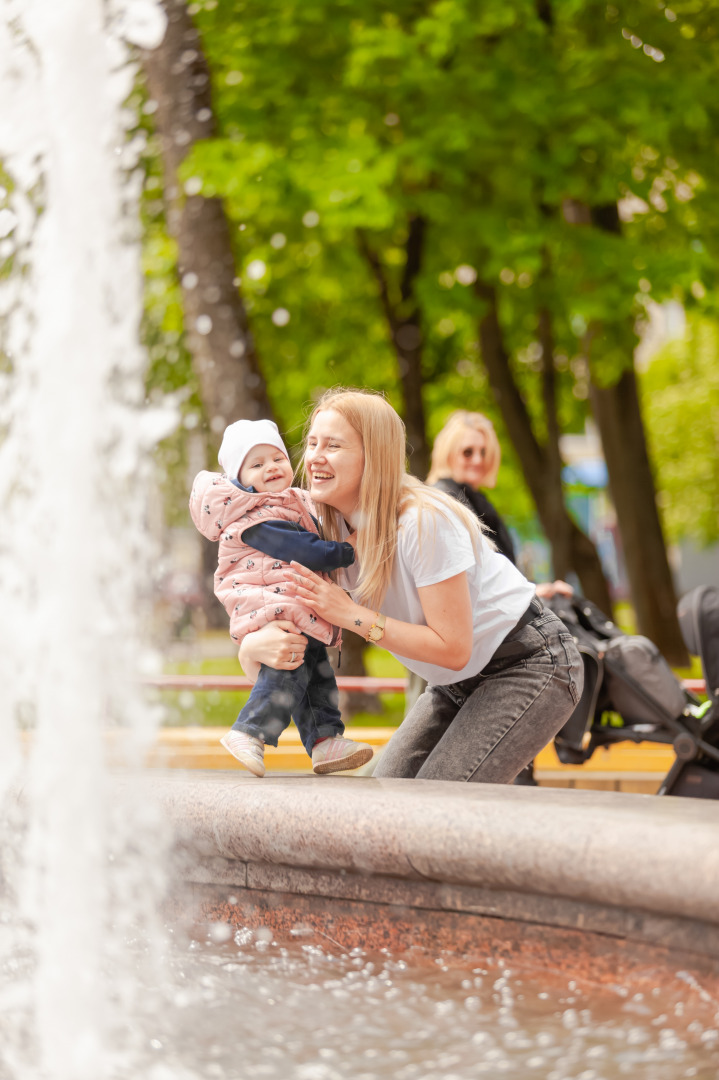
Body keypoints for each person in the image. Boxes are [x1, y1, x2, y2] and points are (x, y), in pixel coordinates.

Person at [239, 390, 583, 785]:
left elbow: (453, 648)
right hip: (453, 682)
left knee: (432, 809)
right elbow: (269, 618)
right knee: (386, 804)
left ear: (375, 456)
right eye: (312, 442)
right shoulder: (319, 533)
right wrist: (251, 646)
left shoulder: (422, 522)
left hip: (529, 661)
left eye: (333, 445)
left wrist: (349, 615)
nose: (314, 456)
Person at [189, 418, 373, 777]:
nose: (270, 467)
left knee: (315, 669)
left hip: (290, 603)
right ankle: (250, 730)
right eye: (256, 464)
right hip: (267, 603)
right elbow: (306, 550)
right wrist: (349, 549)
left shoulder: (291, 501)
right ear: (241, 480)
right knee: (288, 665)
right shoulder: (257, 517)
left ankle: (324, 740)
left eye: (276, 458)